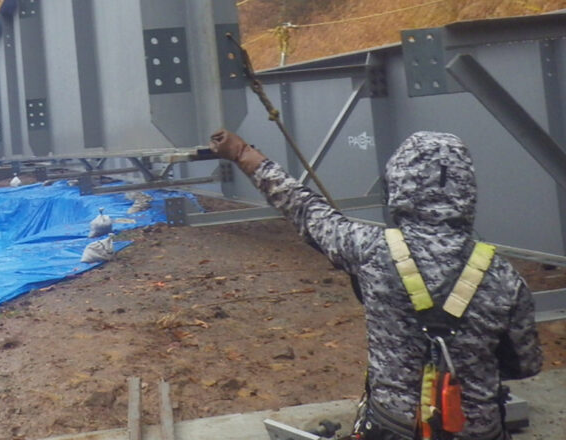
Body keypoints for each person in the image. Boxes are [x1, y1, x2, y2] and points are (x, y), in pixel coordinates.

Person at [209, 129, 542, 440]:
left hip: (393, 426)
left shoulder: (371, 249)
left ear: (397, 185)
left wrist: (242, 153)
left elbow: (305, 209)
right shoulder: (503, 274)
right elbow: (524, 364)